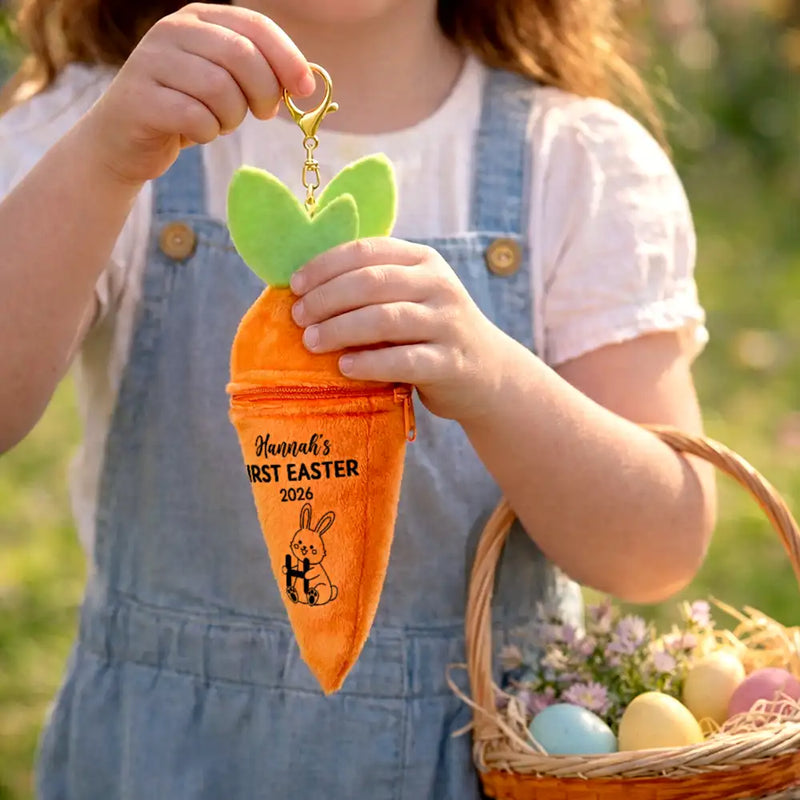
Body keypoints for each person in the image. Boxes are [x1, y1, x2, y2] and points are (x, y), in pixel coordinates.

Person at [0, 0, 717, 797]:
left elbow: (659, 549)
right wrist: (106, 157)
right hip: (168, 763)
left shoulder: (576, 161)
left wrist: (495, 379)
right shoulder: (102, 128)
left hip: (486, 763)